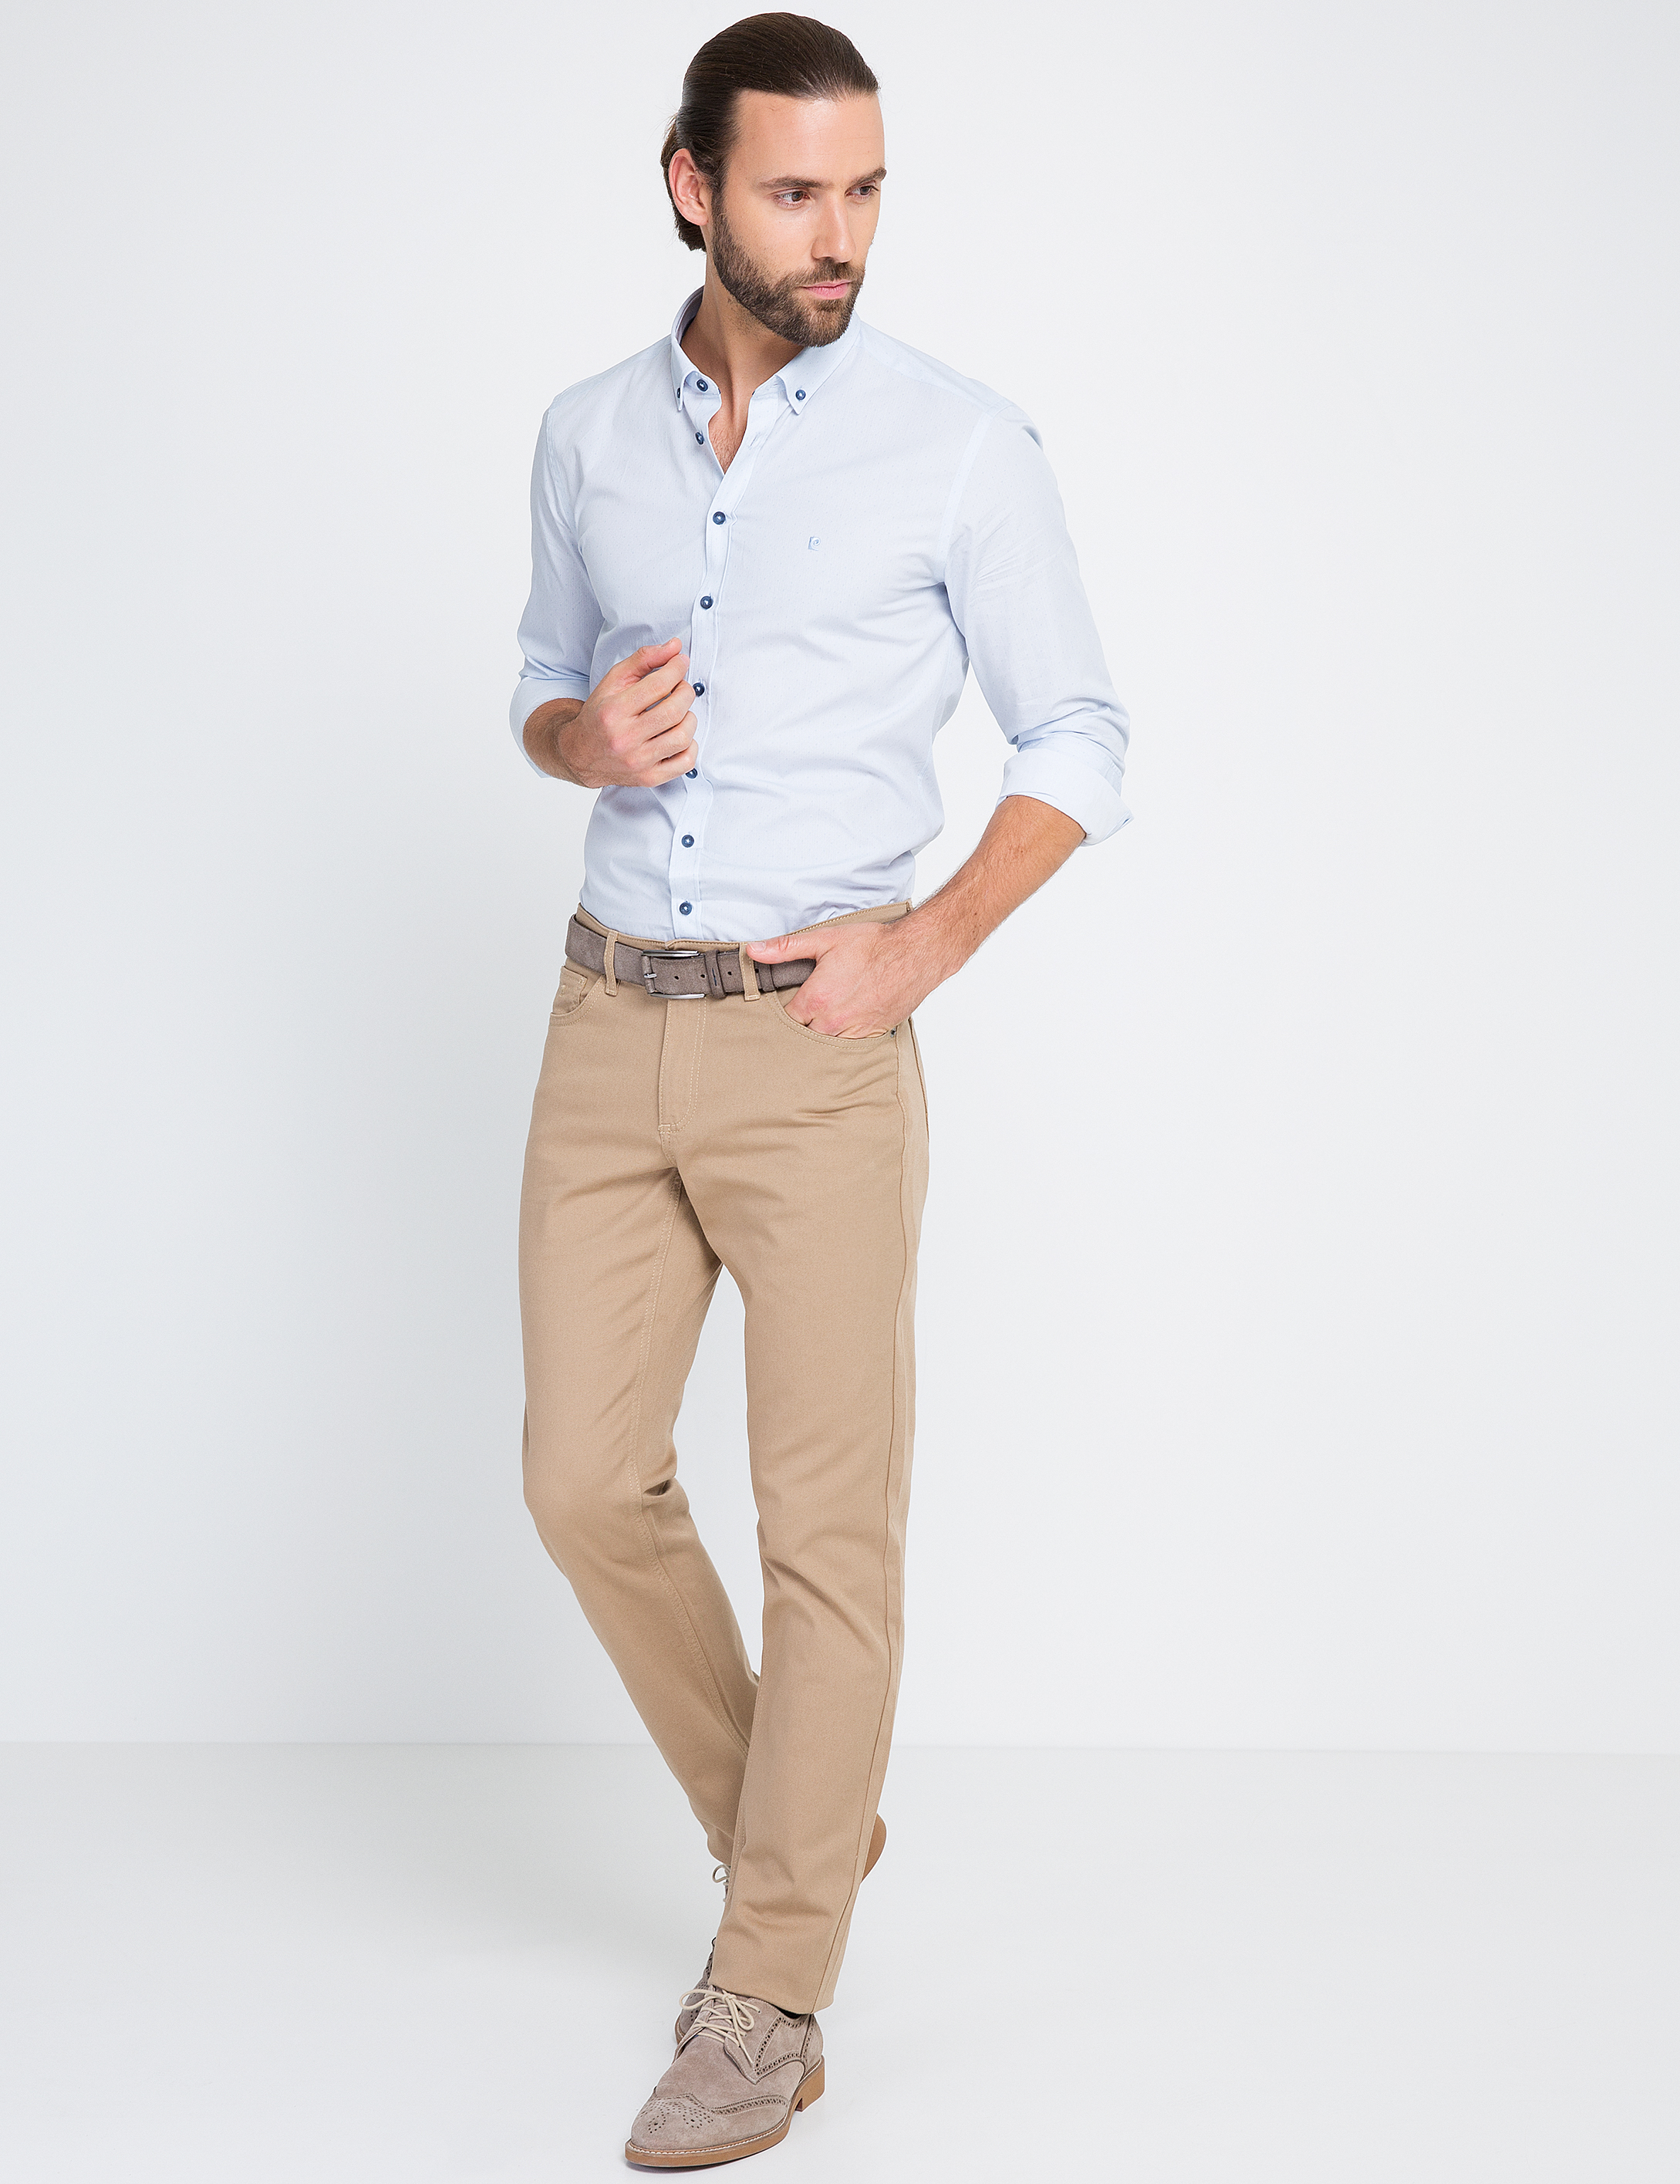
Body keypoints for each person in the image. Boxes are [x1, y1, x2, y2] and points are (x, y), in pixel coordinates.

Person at [509, 12, 1130, 2167]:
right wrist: (581, 740)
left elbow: (1081, 738)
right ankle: (806, 1831)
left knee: (826, 1531)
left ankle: (766, 1991)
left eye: (863, 190)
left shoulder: (960, 444)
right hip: (606, 1021)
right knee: (581, 1483)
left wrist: (924, 942)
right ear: (693, 188)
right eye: (794, 192)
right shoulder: (586, 436)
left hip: (819, 1043)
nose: (837, 233)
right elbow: (537, 684)